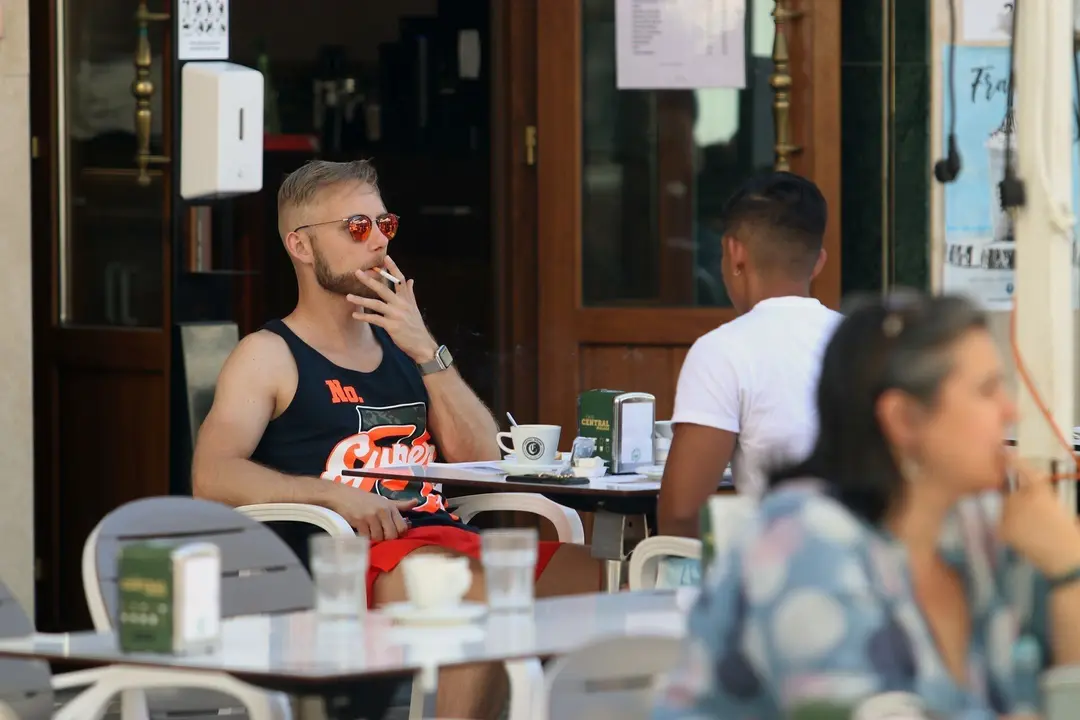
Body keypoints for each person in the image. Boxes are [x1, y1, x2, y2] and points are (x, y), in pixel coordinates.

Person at [192, 159, 600, 719]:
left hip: (440, 542)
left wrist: (425, 348)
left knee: (604, 580)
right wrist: (333, 494)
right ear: (302, 247)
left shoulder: (407, 348)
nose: (379, 241)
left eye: (386, 224)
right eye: (357, 228)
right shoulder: (269, 355)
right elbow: (211, 474)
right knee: (486, 598)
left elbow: (483, 459)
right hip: (347, 560)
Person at [653, 293, 1080, 719]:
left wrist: (1069, 567)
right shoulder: (804, 542)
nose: (1012, 411)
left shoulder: (974, 527)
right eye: (987, 390)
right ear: (904, 419)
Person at [658, 171, 841, 542]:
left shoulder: (723, 350)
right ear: (818, 262)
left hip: (775, 581)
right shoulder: (859, 341)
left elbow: (680, 515)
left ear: (734, 253)